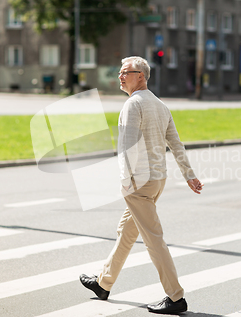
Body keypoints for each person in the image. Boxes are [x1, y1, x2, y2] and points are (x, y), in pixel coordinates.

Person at [79, 56, 203, 315]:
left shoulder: (133, 104)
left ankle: (175, 297)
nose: (120, 77)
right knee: (126, 230)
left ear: (141, 76)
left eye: (126, 72)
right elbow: (176, 143)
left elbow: (128, 148)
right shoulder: (159, 105)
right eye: (120, 73)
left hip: (139, 183)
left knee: (153, 239)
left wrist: (125, 184)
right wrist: (189, 174)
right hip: (157, 180)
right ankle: (104, 283)